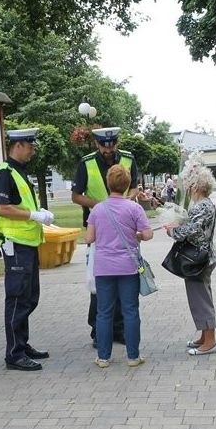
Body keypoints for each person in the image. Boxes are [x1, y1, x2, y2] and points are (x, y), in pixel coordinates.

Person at [72, 126, 143, 349]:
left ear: (117, 143)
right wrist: (101, 206)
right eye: (104, 146)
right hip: (98, 225)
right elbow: (76, 195)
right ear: (97, 144)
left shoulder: (129, 159)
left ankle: (119, 330)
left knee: (124, 282)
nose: (108, 150)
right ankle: (98, 331)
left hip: (123, 228)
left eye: (112, 146)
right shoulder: (86, 163)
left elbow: (134, 187)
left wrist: (126, 201)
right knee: (99, 284)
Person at [0, 128, 55, 372]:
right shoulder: (4, 173)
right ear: (18, 145)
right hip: (15, 244)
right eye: (30, 146)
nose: (33, 150)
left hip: (27, 244)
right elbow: (1, 208)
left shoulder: (20, 171)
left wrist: (39, 217)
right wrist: (34, 215)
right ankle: (14, 354)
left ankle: (22, 344)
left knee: (29, 297)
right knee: (18, 298)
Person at [84, 165, 154, 368]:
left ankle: (103, 357)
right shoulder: (134, 208)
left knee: (104, 312)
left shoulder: (98, 209)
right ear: (126, 185)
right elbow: (148, 234)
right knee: (130, 311)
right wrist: (138, 235)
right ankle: (133, 356)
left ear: (108, 183)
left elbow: (89, 237)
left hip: (104, 268)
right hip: (128, 267)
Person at [162, 159, 216, 356]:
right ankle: (205, 336)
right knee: (201, 296)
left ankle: (209, 341)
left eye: (188, 184)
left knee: (200, 299)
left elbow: (190, 230)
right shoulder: (206, 204)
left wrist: (172, 231)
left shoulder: (201, 206)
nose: (186, 188)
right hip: (203, 257)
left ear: (195, 186)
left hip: (197, 259)